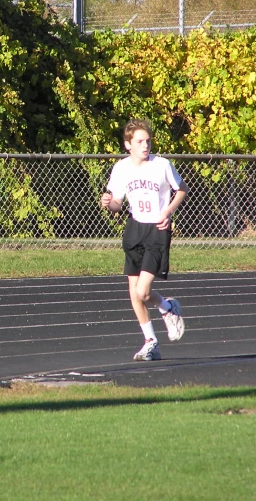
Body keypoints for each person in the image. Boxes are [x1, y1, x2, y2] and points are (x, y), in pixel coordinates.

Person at [100, 119, 188, 361]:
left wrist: (168, 212)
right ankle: (151, 341)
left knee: (143, 290)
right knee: (134, 292)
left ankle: (167, 308)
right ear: (128, 144)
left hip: (157, 229)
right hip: (134, 229)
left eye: (147, 141)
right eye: (139, 141)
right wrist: (107, 204)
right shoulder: (121, 168)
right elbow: (117, 203)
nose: (145, 145)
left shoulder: (162, 165)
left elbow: (182, 189)